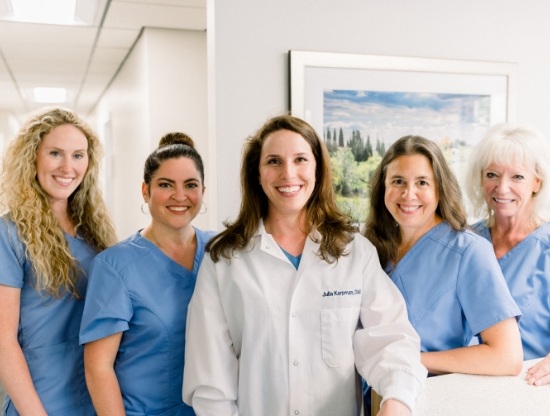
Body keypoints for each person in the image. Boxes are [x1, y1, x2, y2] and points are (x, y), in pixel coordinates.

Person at [183, 115, 427, 416]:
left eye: (300, 159)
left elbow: (391, 341)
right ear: (257, 174)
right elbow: (210, 381)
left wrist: (396, 401)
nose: (288, 173)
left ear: (317, 169)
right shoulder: (223, 260)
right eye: (274, 161)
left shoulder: (354, 252)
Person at [363, 135, 523, 378]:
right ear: (383, 188)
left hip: (429, 397)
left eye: (422, 183)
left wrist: (411, 360)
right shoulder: (370, 248)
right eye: (398, 181)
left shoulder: (468, 251)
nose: (408, 194)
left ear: (440, 187)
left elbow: (506, 357)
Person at [80, 132, 216, 415]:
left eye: (190, 185)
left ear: (203, 190)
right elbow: (98, 367)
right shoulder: (115, 266)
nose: (180, 196)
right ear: (146, 191)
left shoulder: (222, 252)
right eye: (166, 185)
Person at [0, 107, 117, 415]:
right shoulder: (9, 234)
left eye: (78, 155)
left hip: (94, 396)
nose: (68, 166)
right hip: (40, 399)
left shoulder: (96, 231)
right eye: (55, 153)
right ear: (33, 157)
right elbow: (3, 342)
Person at [465, 123, 550, 386]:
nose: (502, 188)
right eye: (492, 174)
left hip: (525, 390)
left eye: (517, 177)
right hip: (457, 384)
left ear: (537, 182)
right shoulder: (464, 242)